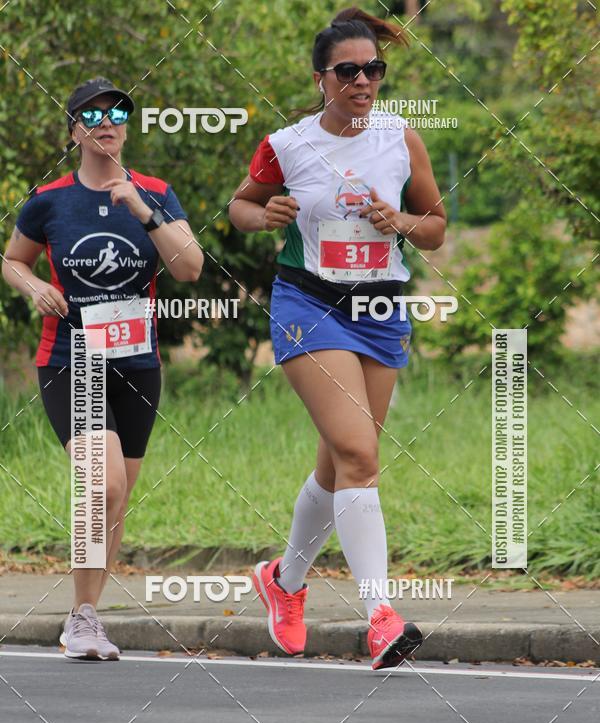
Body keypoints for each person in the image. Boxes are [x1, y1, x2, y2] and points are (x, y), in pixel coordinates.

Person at [229, 8, 446, 669]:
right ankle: (379, 616)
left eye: (373, 69)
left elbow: (436, 226)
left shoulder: (401, 139)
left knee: (340, 462)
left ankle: (284, 581)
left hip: (380, 308)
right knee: (358, 453)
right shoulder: (287, 144)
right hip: (309, 303)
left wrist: (402, 221)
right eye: (348, 71)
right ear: (320, 79)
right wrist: (265, 214)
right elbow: (239, 206)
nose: (363, 82)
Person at [2, 77, 203, 660]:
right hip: (73, 357)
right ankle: (82, 617)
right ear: (74, 132)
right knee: (103, 483)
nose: (106, 122)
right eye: (91, 115)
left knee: (116, 498)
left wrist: (142, 209)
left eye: (116, 113)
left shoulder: (156, 193)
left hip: (137, 362)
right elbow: (12, 261)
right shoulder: (49, 200)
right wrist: (35, 286)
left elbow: (190, 267)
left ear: (127, 127)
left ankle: (85, 617)